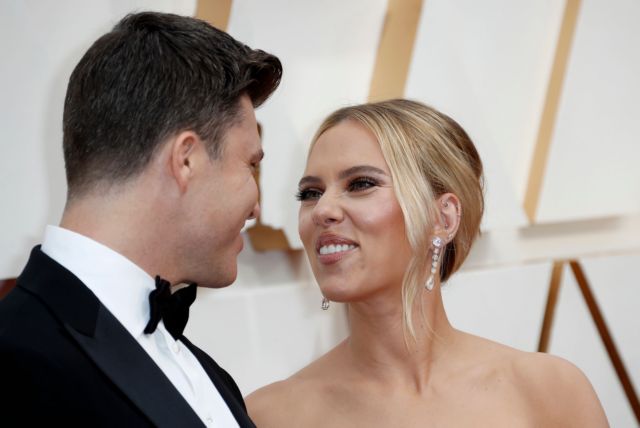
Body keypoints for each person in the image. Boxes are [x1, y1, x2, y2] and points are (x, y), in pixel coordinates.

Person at [246, 99, 609, 427]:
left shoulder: (548, 391)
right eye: (310, 193)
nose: (322, 210)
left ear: (443, 218)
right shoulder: (270, 416)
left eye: (360, 184)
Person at [0, 11, 281, 427]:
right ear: (186, 159)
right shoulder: (14, 361)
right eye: (250, 165)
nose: (256, 207)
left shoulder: (205, 372)